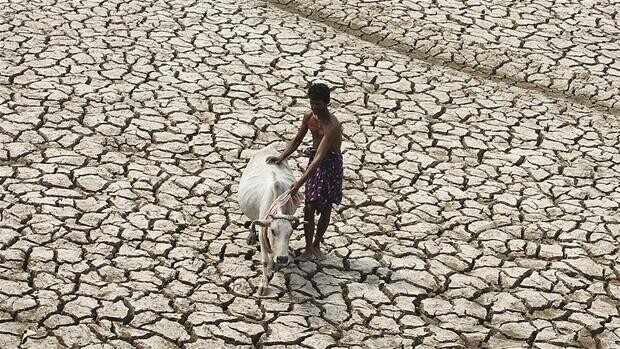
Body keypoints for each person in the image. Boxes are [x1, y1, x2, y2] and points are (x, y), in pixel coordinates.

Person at [266, 83, 343, 260]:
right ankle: (308, 248)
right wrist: (282, 155)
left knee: (325, 206)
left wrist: (298, 184)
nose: (315, 108)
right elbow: (297, 139)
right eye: (312, 103)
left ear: (327, 103)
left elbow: (319, 158)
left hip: (329, 165)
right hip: (314, 163)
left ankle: (316, 246)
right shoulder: (309, 116)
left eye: (319, 105)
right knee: (309, 206)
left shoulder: (332, 126)